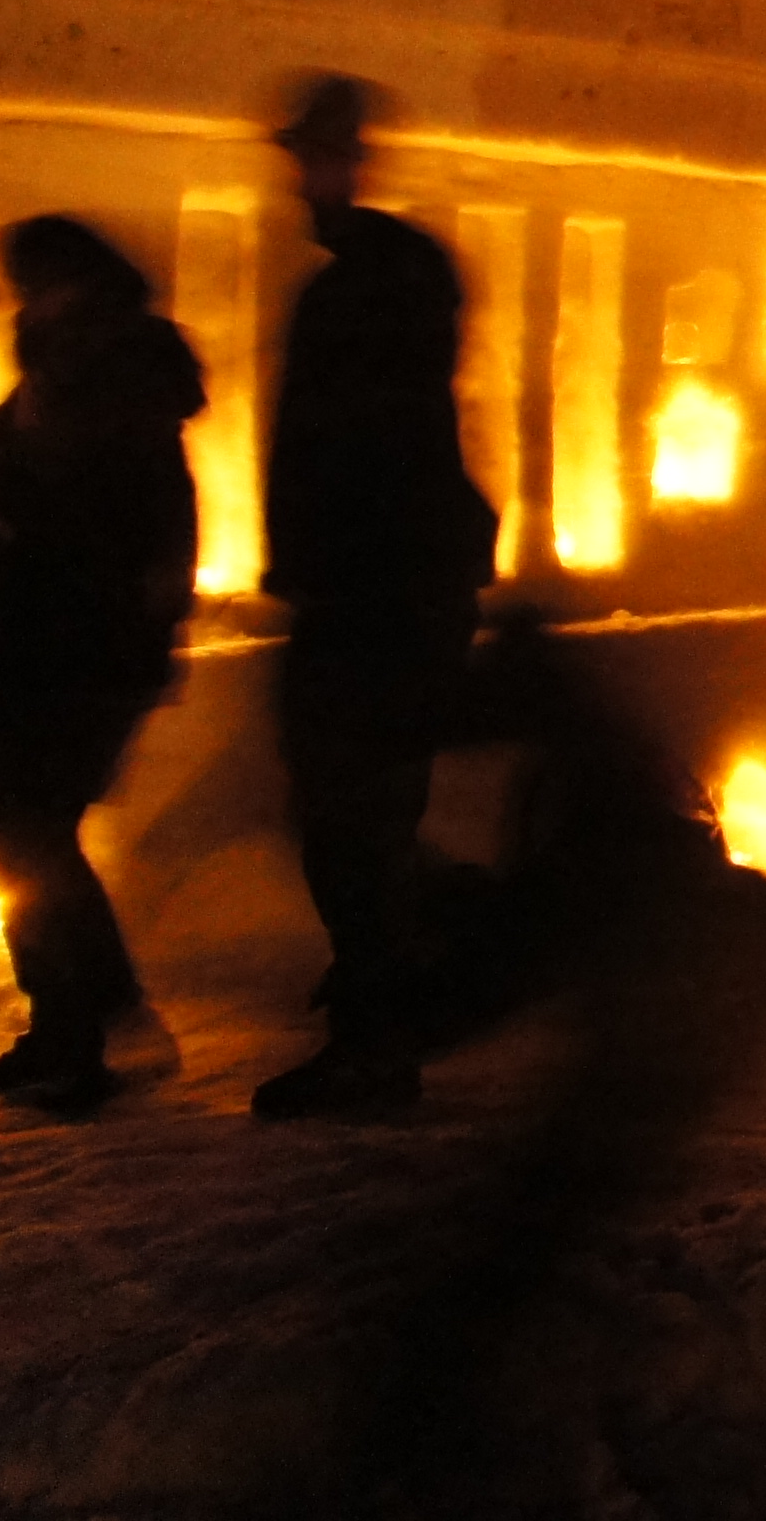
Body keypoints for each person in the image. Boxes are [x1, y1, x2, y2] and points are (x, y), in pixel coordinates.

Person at [257, 74, 496, 1119]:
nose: (301, 180)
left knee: (353, 825)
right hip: (386, 591)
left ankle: (379, 1029)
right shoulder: (376, 279)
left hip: (375, 598)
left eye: (313, 157)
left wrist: (321, 562)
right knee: (360, 823)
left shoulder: (363, 289)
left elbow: (350, 451)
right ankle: (383, 998)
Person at [0, 217, 203, 1114]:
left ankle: (100, 1021)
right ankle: (67, 1028)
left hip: (79, 647)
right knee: (16, 832)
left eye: (30, 280)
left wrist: (21, 535)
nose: (20, 297)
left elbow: (128, 519)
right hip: (31, 644)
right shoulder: (63, 374)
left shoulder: (117, 376)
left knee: (33, 833)